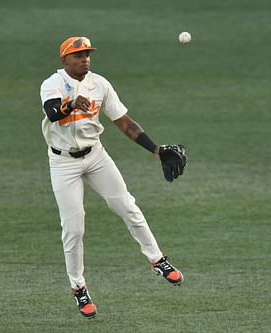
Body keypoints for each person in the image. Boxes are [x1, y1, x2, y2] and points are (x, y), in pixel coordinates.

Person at [39, 36, 186, 319]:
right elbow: (52, 112)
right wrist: (71, 104)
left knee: (128, 206)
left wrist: (155, 150)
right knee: (74, 228)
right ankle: (78, 287)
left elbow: (125, 123)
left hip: (96, 156)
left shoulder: (100, 85)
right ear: (65, 60)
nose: (85, 59)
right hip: (62, 162)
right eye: (78, 55)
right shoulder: (52, 83)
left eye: (87, 54)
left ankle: (158, 260)